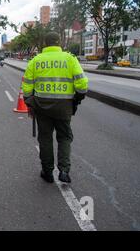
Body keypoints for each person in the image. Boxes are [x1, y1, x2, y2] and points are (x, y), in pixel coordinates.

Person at [22, 32, 89, 184]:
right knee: (64, 137)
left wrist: (29, 102)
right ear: (59, 43)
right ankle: (64, 171)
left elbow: (27, 86)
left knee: (45, 138)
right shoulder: (70, 59)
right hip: (64, 106)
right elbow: (82, 85)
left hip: (41, 106)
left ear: (45, 43)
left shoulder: (36, 60)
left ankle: (47, 172)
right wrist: (76, 99)